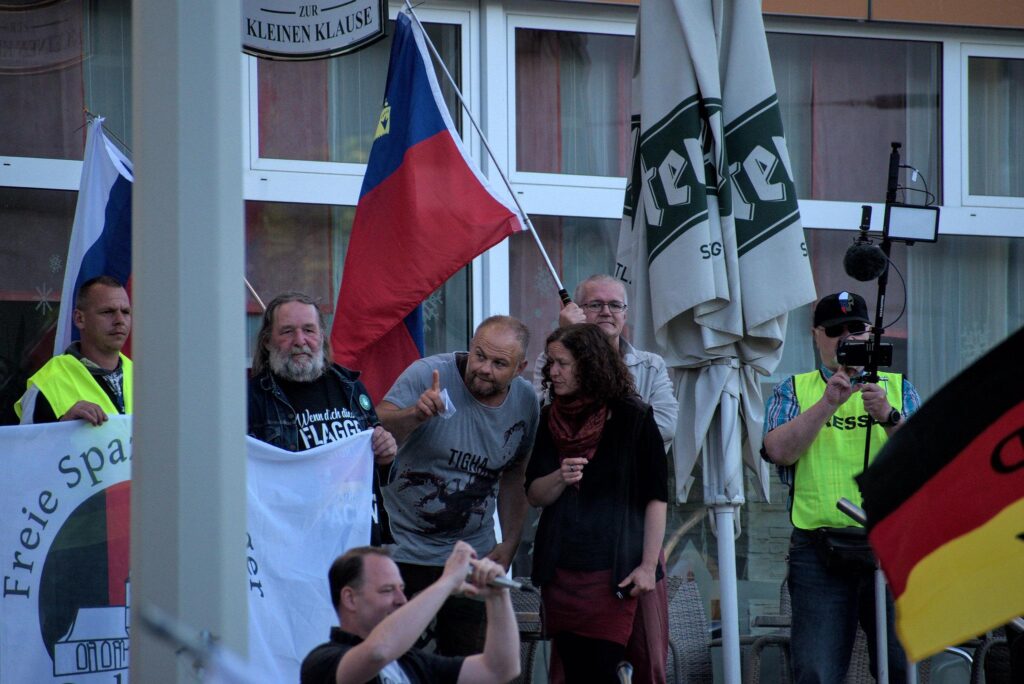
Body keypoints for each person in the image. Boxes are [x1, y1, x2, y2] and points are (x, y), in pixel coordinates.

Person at [762, 291, 922, 684]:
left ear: (870, 334)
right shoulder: (794, 389)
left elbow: (927, 459)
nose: (846, 338)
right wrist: (827, 403)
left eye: (856, 329)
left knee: (901, 666)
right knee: (817, 671)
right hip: (820, 549)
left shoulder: (897, 388)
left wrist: (888, 416)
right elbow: (777, 450)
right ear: (816, 335)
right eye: (835, 331)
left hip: (891, 546)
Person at [533, 274, 676, 684]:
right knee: (576, 666)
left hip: (632, 540)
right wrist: (569, 342)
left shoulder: (647, 371)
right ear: (577, 312)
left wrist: (613, 405)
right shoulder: (554, 372)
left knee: (646, 655)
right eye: (595, 305)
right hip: (571, 550)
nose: (606, 313)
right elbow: (541, 407)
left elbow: (663, 427)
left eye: (615, 306)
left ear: (626, 314)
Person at [375, 315, 539, 656]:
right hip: (403, 549)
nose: (484, 368)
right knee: (393, 660)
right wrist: (416, 415)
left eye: (499, 364)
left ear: (520, 368)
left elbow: (516, 473)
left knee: (467, 663)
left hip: (472, 555)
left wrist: (509, 543)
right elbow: (376, 428)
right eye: (480, 355)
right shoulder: (427, 374)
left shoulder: (526, 402)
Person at [247, 291, 397, 545]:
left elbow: (378, 472)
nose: (300, 340)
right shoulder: (251, 399)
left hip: (358, 544)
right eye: (287, 332)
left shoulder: (350, 388)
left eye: (309, 330)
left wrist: (387, 456)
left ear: (322, 337)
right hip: (294, 546)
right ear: (267, 341)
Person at [300, 541, 520, 684]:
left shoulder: (410, 661)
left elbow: (500, 669)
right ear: (350, 598)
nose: (401, 600)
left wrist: (498, 596)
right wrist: (448, 581)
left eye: (402, 589)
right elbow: (377, 652)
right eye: (387, 590)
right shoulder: (324, 660)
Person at [16, 275, 132, 425]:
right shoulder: (46, 384)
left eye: (126, 312)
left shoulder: (144, 379)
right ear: (79, 319)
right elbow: (25, 447)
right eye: (107, 312)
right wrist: (63, 427)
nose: (120, 320)